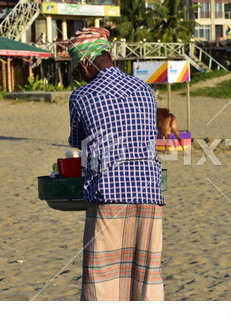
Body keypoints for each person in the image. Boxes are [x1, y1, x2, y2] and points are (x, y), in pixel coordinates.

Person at [67, 27, 165, 301]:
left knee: (103, 276)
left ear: (85, 63)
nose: (79, 74)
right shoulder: (144, 89)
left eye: (77, 67)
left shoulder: (81, 97)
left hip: (108, 193)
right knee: (145, 274)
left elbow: (78, 140)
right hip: (149, 192)